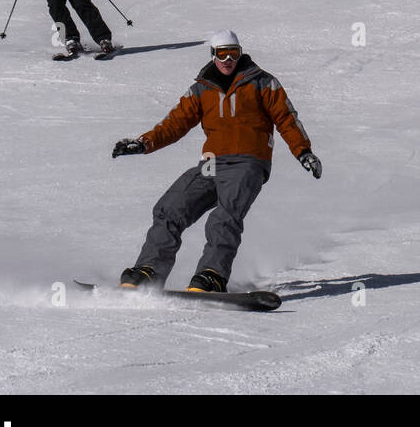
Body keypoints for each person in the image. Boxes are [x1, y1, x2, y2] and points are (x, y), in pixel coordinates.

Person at [111, 30, 322, 294]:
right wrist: (144, 143)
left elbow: (286, 118)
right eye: (222, 54)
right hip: (211, 163)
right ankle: (148, 271)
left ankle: (211, 275)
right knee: (170, 208)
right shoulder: (202, 88)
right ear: (213, 55)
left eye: (234, 53)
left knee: (224, 216)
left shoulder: (263, 82)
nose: (228, 59)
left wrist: (303, 152)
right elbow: (176, 123)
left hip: (248, 162)